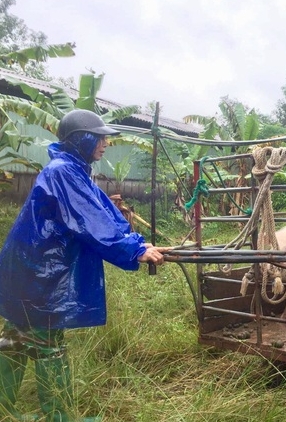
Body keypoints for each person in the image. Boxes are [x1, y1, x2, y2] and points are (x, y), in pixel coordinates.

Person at [0, 110, 169, 421]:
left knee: (16, 338)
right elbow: (88, 221)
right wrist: (133, 250)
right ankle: (58, 416)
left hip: (29, 269)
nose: (105, 143)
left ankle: (5, 409)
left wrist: (135, 241)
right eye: (100, 137)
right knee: (46, 343)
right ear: (81, 139)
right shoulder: (64, 172)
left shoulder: (73, 170)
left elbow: (102, 210)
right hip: (38, 272)